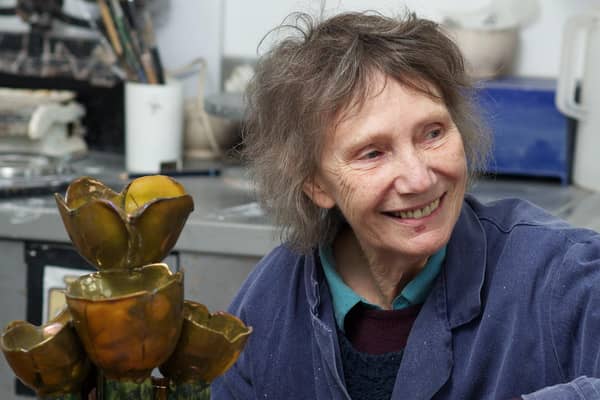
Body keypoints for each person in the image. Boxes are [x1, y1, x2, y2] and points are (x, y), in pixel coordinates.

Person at [211, 10, 600, 400]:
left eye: (432, 133)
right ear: (314, 183)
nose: (419, 179)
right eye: (373, 153)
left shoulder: (561, 274)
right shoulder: (271, 298)